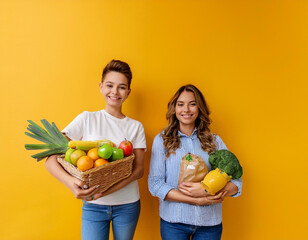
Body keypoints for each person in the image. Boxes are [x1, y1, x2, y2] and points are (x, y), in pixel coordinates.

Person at [45, 60, 146, 240]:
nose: (115, 92)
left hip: (128, 205)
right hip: (93, 205)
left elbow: (138, 171)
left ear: (128, 92)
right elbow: (50, 159)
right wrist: (71, 184)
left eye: (122, 87)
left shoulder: (135, 127)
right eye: (109, 85)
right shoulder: (87, 119)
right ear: (100, 87)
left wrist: (106, 191)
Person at [148, 84, 242, 240]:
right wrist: (196, 199)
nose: (186, 109)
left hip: (209, 225)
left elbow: (236, 183)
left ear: (199, 108)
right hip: (174, 224)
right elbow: (155, 185)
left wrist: (207, 190)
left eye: (192, 104)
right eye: (181, 104)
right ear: (174, 108)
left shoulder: (215, 141)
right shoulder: (162, 141)